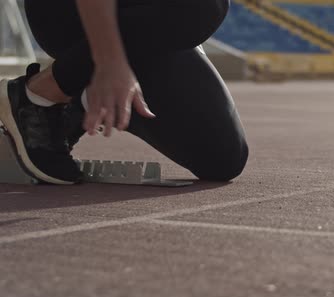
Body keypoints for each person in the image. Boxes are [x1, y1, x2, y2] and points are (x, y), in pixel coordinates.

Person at [0, 0, 249, 185]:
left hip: (142, 14)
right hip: (67, 11)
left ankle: (78, 101)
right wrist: (109, 62)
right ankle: (45, 91)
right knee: (203, 6)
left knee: (222, 156)